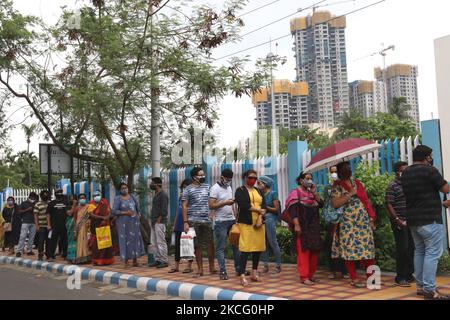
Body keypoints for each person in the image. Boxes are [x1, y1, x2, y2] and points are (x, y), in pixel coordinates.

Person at [401, 145, 450, 300]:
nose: (431, 158)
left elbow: (420, 194)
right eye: (430, 156)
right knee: (432, 253)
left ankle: (421, 287)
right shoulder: (430, 170)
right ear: (426, 156)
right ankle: (429, 290)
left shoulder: (406, 173)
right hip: (430, 219)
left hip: (413, 220)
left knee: (420, 251)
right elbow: (446, 189)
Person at [331, 161, 376, 288]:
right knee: (349, 250)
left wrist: (371, 218)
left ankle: (371, 278)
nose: (349, 169)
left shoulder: (357, 183)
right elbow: (335, 204)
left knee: (368, 250)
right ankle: (354, 278)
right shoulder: (337, 186)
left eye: (349, 167)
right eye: (346, 167)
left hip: (363, 221)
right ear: (340, 171)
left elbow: (366, 201)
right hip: (347, 223)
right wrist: (349, 194)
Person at [285, 172, 323, 285]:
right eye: (307, 179)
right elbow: (292, 211)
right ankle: (304, 276)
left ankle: (311, 275)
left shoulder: (312, 194)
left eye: (311, 179)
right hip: (302, 226)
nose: (310, 181)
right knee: (304, 251)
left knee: (314, 250)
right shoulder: (295, 193)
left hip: (314, 227)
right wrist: (296, 225)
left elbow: (321, 204)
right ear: (301, 180)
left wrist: (315, 193)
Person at [182, 167, 216, 278]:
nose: (203, 177)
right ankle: (200, 269)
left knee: (210, 244)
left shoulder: (208, 186)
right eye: (200, 175)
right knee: (197, 246)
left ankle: (212, 268)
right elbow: (184, 206)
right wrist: (185, 222)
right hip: (193, 221)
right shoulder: (187, 189)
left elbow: (213, 201)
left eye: (203, 175)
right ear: (194, 177)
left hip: (206, 220)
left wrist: (212, 213)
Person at [234, 169, 266, 287]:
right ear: (245, 178)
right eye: (250, 177)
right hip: (246, 223)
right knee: (245, 249)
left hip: (259, 223)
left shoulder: (258, 190)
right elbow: (243, 204)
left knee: (257, 249)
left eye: (255, 178)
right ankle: (242, 275)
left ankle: (254, 272)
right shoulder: (240, 190)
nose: (253, 179)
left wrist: (260, 217)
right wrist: (258, 210)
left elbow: (264, 205)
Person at [385, 161, 415, 287]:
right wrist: (397, 219)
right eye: (404, 170)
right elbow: (389, 204)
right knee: (402, 249)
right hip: (399, 222)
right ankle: (400, 277)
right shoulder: (392, 186)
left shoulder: (409, 185)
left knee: (411, 249)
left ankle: (409, 274)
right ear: (398, 172)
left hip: (411, 222)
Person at [209, 168, 241, 280]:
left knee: (236, 246)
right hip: (220, 222)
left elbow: (231, 204)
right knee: (220, 248)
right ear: (221, 177)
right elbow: (211, 205)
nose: (228, 181)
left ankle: (239, 269)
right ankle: (222, 271)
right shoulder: (214, 188)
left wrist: (235, 215)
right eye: (227, 179)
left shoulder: (229, 187)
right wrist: (225, 203)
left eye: (230, 179)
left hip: (231, 220)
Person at [323, 166, 348, 279]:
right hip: (332, 220)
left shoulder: (345, 185)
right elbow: (326, 203)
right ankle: (332, 270)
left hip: (345, 219)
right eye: (332, 172)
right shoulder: (328, 187)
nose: (334, 174)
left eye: (336, 171)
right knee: (330, 243)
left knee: (344, 243)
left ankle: (345, 270)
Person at [112, 182, 145, 268]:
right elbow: (114, 211)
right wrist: (125, 212)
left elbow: (137, 208)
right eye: (122, 188)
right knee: (125, 241)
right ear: (120, 190)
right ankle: (126, 261)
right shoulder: (118, 199)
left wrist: (139, 215)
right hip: (123, 224)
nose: (124, 189)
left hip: (134, 223)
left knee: (135, 240)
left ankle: (135, 260)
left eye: (126, 187)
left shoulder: (132, 197)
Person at [258, 175, 282, 274]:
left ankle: (278, 265)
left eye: (260, 183)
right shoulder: (259, 195)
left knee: (273, 242)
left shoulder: (273, 193)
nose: (258, 185)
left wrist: (265, 207)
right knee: (263, 244)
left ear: (265, 184)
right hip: (261, 219)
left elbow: (276, 209)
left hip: (270, 219)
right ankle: (265, 266)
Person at [168, 179, 193, 274]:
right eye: (183, 187)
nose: (184, 189)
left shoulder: (191, 198)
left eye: (186, 187)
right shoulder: (180, 198)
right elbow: (178, 212)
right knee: (177, 246)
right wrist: (174, 224)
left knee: (188, 245)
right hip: (178, 224)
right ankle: (176, 266)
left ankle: (189, 266)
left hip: (187, 224)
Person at [88, 191, 115, 266]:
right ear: (93, 197)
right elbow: (91, 215)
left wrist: (107, 217)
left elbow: (110, 211)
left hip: (105, 226)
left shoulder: (105, 202)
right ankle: (97, 261)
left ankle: (107, 260)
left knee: (106, 243)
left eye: (98, 195)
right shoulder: (91, 204)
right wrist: (102, 217)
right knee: (96, 245)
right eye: (95, 195)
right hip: (96, 226)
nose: (97, 196)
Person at [148, 177, 169, 269]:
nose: (151, 184)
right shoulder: (157, 194)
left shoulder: (163, 195)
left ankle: (164, 260)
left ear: (158, 184)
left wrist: (159, 219)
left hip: (159, 222)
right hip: (154, 221)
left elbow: (164, 209)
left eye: (153, 183)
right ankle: (158, 259)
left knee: (161, 241)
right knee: (155, 242)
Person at [46, 189, 69, 261]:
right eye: (58, 193)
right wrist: (48, 225)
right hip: (54, 226)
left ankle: (65, 255)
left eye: (60, 193)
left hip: (64, 225)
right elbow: (48, 215)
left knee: (65, 241)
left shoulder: (66, 203)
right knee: (53, 241)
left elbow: (69, 213)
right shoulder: (51, 203)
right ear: (55, 194)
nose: (59, 194)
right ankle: (51, 256)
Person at [16, 192, 39, 257]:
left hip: (34, 222)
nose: (33, 199)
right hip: (25, 221)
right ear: (29, 197)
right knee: (22, 236)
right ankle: (19, 251)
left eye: (34, 198)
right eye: (32, 198)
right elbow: (19, 211)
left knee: (32, 237)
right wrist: (27, 209)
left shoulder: (36, 203)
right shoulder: (24, 203)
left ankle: (29, 250)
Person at [72, 194, 91, 264]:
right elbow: (74, 218)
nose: (82, 199)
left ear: (86, 199)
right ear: (79, 200)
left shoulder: (89, 207)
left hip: (87, 227)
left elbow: (91, 216)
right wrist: (74, 228)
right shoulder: (77, 208)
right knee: (80, 242)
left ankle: (87, 257)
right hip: (79, 227)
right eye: (81, 198)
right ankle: (80, 257)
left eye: (83, 198)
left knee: (87, 241)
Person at [34, 190, 50, 261]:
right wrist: (37, 226)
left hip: (49, 226)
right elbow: (35, 216)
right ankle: (40, 254)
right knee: (41, 241)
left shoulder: (50, 204)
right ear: (41, 196)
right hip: (41, 226)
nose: (45, 196)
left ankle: (48, 254)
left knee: (49, 241)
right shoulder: (37, 204)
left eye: (46, 195)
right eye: (44, 195)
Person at [66, 196, 78, 264]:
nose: (73, 200)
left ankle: (76, 256)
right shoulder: (68, 207)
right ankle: (71, 257)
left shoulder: (79, 206)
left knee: (77, 241)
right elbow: (70, 213)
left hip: (78, 225)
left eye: (74, 199)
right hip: (70, 225)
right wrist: (73, 205)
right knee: (71, 241)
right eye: (71, 199)